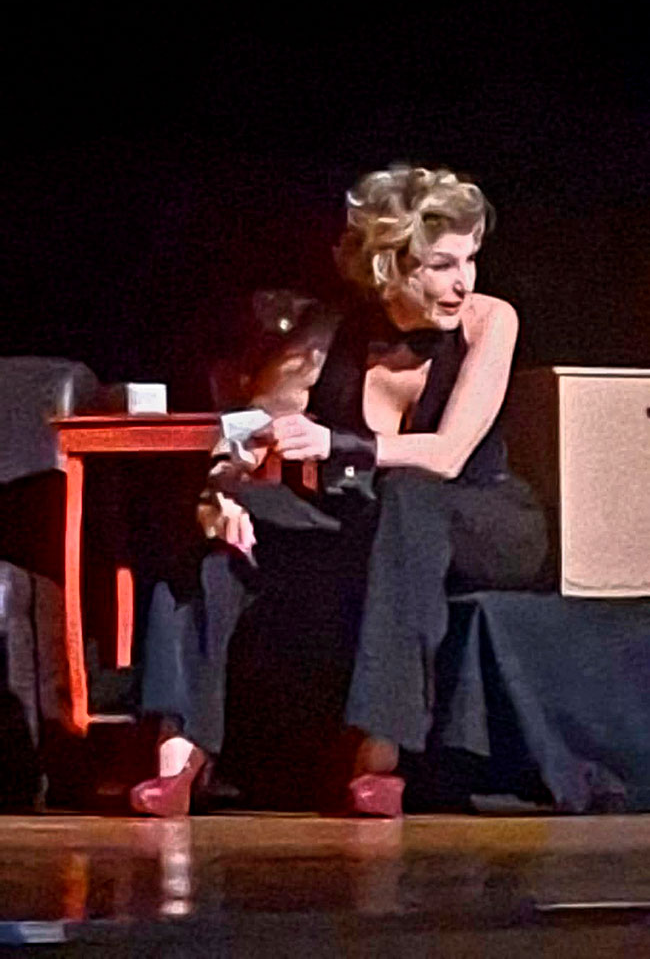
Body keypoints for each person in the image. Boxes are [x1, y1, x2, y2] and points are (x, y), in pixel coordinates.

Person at [131, 164, 548, 817]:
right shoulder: (327, 338)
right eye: (441, 265)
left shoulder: (490, 321)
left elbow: (447, 455)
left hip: (482, 517)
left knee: (409, 491)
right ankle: (180, 753)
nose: (463, 281)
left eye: (469, 260)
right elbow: (244, 429)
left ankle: (378, 754)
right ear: (390, 269)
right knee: (219, 530)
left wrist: (338, 444)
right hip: (373, 524)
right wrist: (221, 492)